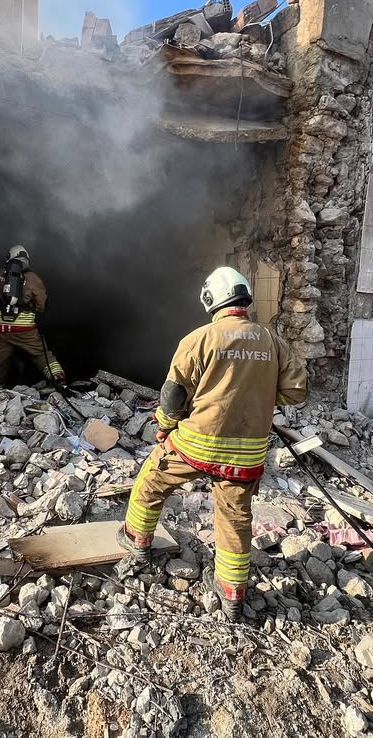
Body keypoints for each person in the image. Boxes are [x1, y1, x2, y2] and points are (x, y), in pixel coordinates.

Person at [116, 266, 307, 620]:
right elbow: (296, 391)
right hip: (247, 454)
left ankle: (137, 543)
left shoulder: (199, 339)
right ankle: (232, 593)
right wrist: (260, 397)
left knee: (150, 482)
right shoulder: (271, 340)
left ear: (210, 299)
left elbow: (173, 396)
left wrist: (165, 425)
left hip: (197, 444)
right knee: (235, 518)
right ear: (244, 297)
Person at [0, 245, 66, 387]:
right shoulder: (33, 278)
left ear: (9, 258)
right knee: (42, 355)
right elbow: (41, 305)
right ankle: (59, 381)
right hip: (23, 330)